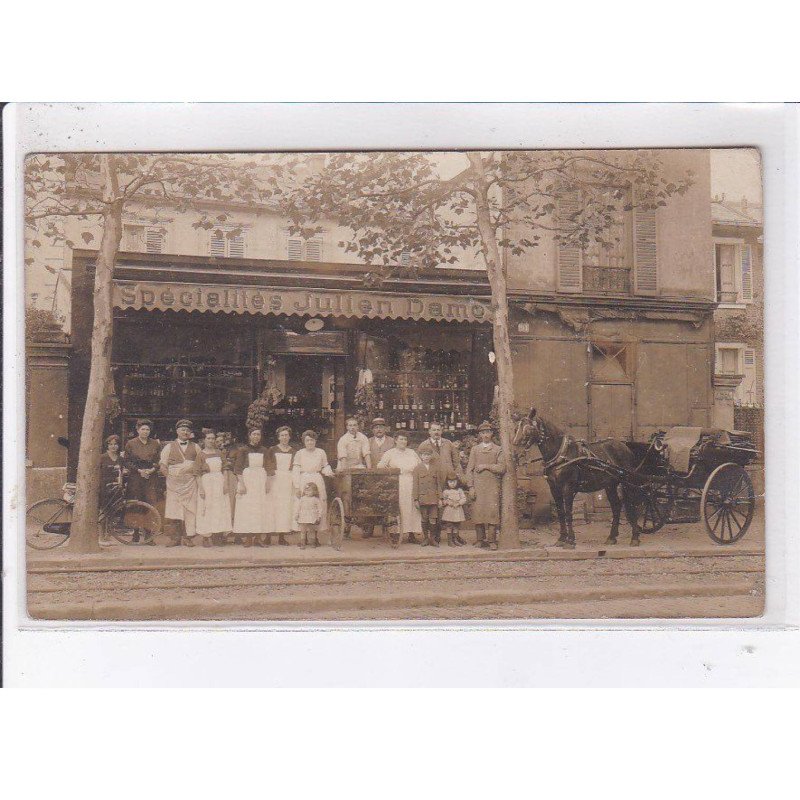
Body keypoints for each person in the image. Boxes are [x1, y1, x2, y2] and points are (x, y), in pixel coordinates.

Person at [159, 419, 200, 547]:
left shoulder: (196, 446)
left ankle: (188, 537)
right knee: (174, 509)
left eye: (187, 430)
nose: (185, 432)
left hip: (190, 483)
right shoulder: (169, 446)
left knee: (190, 509)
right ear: (177, 431)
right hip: (173, 483)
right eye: (183, 429)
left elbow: (200, 464)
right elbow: (163, 465)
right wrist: (170, 478)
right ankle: (175, 538)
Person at [232, 427, 276, 548]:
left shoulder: (264, 450)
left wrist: (267, 483)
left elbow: (268, 467)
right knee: (248, 509)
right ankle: (248, 538)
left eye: (258, 434)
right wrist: (241, 484)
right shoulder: (243, 450)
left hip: (260, 482)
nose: (256, 436)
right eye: (254, 434)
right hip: (247, 481)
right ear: (249, 436)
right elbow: (238, 469)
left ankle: (258, 538)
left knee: (260, 509)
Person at [466, 420, 506, 551]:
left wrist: (486, 466)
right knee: (478, 512)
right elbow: (469, 469)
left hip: (492, 486)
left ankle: (492, 541)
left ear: (492, 433)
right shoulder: (475, 449)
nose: (485, 435)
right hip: (478, 486)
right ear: (480, 435)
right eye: (483, 433)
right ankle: (479, 539)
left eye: (488, 432)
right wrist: (471, 487)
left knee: (492, 513)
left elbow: (501, 468)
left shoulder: (498, 449)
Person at [377, 432, 423, 546]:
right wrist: (390, 471)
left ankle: (412, 534)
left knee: (413, 508)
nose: (403, 441)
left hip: (412, 482)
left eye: (405, 439)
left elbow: (420, 466)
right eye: (401, 439)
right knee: (400, 508)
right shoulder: (390, 453)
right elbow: (380, 466)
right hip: (398, 483)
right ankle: (396, 534)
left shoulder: (412, 452)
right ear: (395, 440)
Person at [194, 428, 232, 547]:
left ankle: (218, 535)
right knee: (207, 508)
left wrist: (225, 484)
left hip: (219, 482)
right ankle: (206, 536)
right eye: (208, 438)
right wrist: (201, 488)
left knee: (219, 508)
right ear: (204, 440)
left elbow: (225, 469)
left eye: (213, 438)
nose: (211, 440)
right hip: (207, 483)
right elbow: (197, 474)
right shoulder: (200, 455)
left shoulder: (219, 453)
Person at [292, 430, 334, 539]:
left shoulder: (321, 452)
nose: (310, 442)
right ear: (304, 442)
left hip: (317, 479)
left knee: (317, 505)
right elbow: (296, 469)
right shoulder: (300, 453)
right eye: (307, 440)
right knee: (304, 506)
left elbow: (325, 466)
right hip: (304, 480)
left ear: (315, 441)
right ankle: (303, 537)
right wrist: (297, 486)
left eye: (312, 440)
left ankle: (315, 537)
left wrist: (329, 472)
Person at [362, 417, 395, 539]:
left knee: (388, 500)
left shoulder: (392, 441)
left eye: (381, 427)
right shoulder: (367, 441)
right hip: (371, 476)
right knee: (369, 500)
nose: (379, 429)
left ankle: (386, 527)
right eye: (376, 427)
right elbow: (363, 457)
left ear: (385, 428)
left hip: (388, 476)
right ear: (372, 430)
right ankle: (368, 527)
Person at [124, 418, 161, 508]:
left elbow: (159, 460)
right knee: (136, 502)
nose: (145, 432)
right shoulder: (130, 443)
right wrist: (140, 471)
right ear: (137, 430)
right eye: (143, 429)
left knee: (151, 501)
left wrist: (151, 470)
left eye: (147, 429)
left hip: (151, 476)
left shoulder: (155, 443)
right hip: (136, 476)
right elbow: (126, 461)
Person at [268, 425, 295, 546]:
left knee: (284, 508)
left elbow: (295, 467)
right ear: (278, 437)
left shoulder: (293, 451)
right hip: (275, 480)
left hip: (287, 481)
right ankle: (268, 536)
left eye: (286, 435)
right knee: (273, 507)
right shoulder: (272, 449)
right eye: (282, 435)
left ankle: (281, 536)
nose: (284, 437)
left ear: (289, 437)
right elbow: (268, 465)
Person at [413, 444, 442, 547]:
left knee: (433, 518)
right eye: (424, 455)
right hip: (423, 498)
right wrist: (415, 499)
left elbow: (438, 484)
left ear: (431, 456)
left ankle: (432, 539)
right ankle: (425, 538)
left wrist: (440, 498)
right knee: (424, 519)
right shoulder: (417, 469)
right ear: (421, 456)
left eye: (428, 455)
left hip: (434, 498)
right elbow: (415, 485)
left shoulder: (435, 468)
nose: (426, 457)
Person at [99, 434, 126, 547]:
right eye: (110, 444)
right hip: (104, 486)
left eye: (115, 444)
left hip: (116, 487)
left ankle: (108, 534)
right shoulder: (102, 457)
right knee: (104, 511)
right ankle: (101, 536)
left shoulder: (120, 459)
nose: (113, 446)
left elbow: (123, 471)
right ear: (107, 445)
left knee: (112, 512)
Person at [419, 421, 462, 485]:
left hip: (448, 479)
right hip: (432, 479)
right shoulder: (424, 445)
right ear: (429, 431)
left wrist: (452, 472)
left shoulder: (448, 443)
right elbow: (420, 463)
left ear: (441, 431)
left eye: (438, 430)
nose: (436, 432)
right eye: (434, 430)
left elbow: (456, 460)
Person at [216, 431, 239, 535]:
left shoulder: (235, 450)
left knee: (231, 501)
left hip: (230, 475)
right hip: (216, 476)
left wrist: (228, 462)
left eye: (224, 439)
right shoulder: (216, 451)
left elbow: (236, 463)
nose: (223, 441)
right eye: (220, 440)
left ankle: (232, 529)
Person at [440, 472, 468, 547]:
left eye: (454, 482)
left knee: (456, 525)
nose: (452, 484)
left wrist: (459, 503)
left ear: (457, 482)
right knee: (449, 525)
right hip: (449, 510)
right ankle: (450, 541)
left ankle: (455, 539)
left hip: (458, 510)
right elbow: (443, 500)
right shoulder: (446, 491)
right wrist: (449, 503)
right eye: (450, 482)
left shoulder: (459, 490)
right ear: (447, 482)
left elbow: (464, 499)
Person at [294, 482, 324, 549]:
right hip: (303, 517)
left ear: (314, 491)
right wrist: (296, 515)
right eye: (306, 490)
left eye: (309, 490)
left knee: (312, 531)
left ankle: (313, 543)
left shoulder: (316, 499)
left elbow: (320, 509)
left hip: (312, 517)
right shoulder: (302, 499)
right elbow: (298, 508)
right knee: (303, 531)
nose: (307, 492)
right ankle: (302, 544)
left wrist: (319, 516)